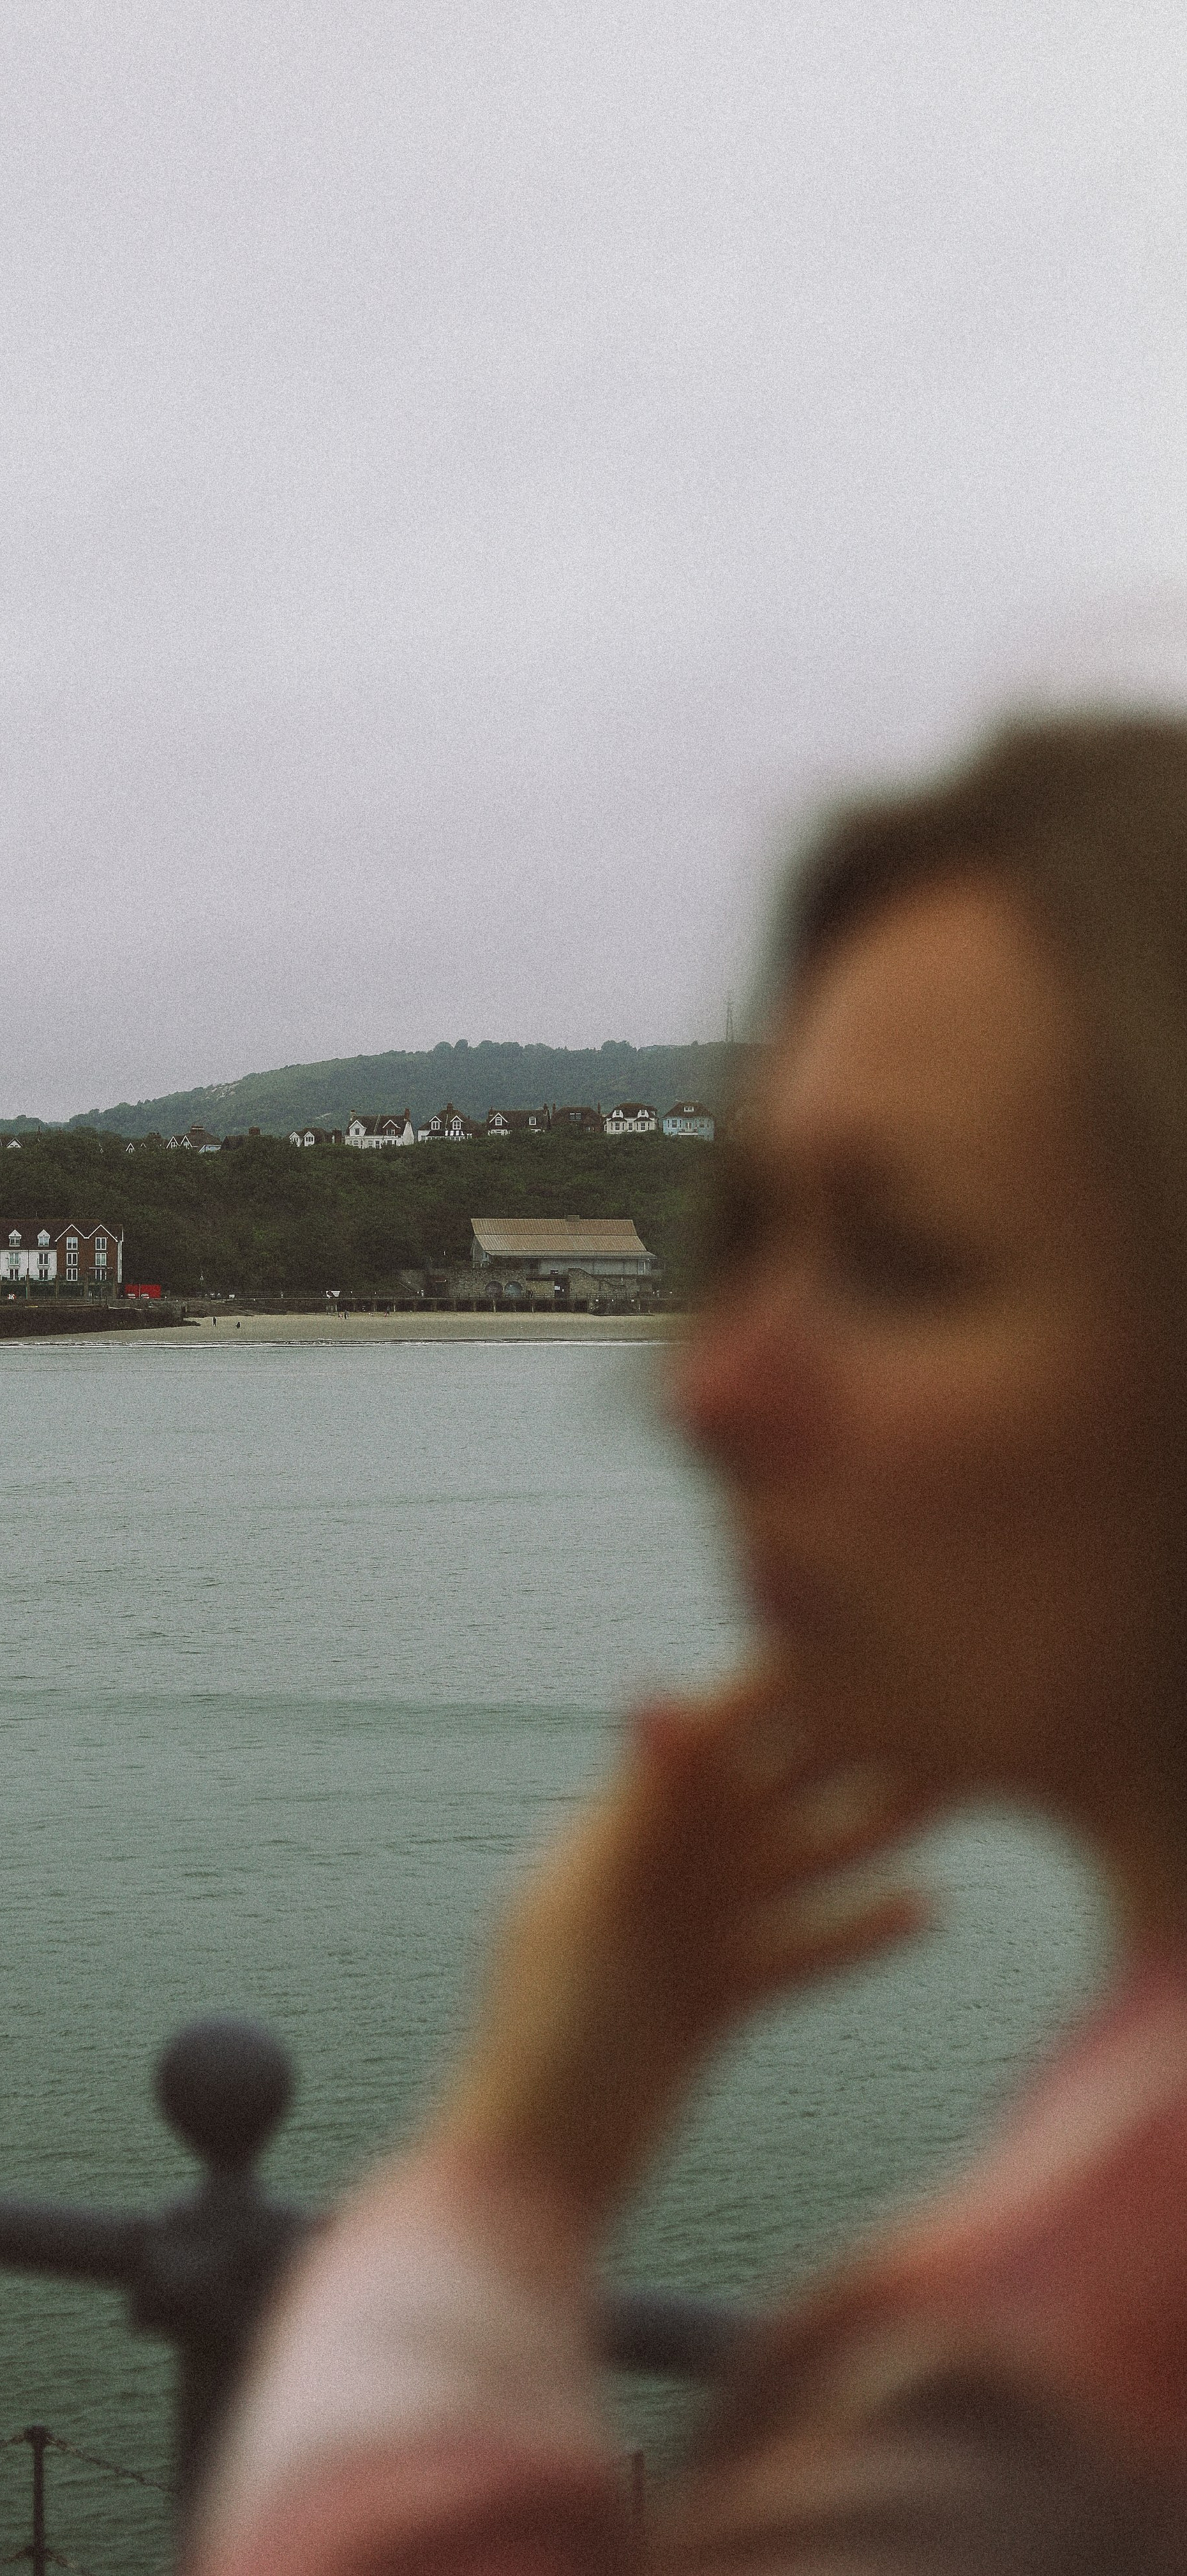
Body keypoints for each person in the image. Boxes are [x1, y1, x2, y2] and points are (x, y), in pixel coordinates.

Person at [191, 716, 1187, 2576]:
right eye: (754, 1239)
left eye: (898, 1255)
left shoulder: (1062, 2424)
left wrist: (508, 2165)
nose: (710, 1390)